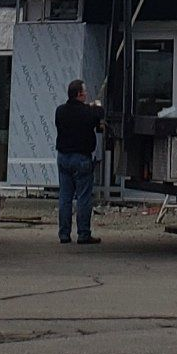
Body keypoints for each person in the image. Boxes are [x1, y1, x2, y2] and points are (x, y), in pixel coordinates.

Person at [54, 78, 106, 245]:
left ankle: (64, 234)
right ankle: (83, 234)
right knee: (83, 198)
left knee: (65, 197)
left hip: (63, 158)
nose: (86, 94)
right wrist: (96, 105)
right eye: (84, 92)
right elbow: (100, 114)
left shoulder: (60, 111)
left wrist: (88, 107)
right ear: (79, 94)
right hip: (81, 159)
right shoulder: (87, 112)